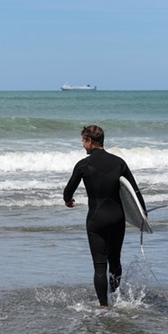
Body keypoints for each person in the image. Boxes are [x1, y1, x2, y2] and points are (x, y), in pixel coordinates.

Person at [63, 125, 146, 309]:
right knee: (115, 261)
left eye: (84, 142)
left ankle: (103, 307)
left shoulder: (83, 165)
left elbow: (67, 192)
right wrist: (143, 216)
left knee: (100, 265)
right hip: (117, 219)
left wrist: (68, 201)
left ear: (90, 141)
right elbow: (135, 191)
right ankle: (116, 299)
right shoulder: (119, 162)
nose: (83, 146)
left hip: (96, 220)